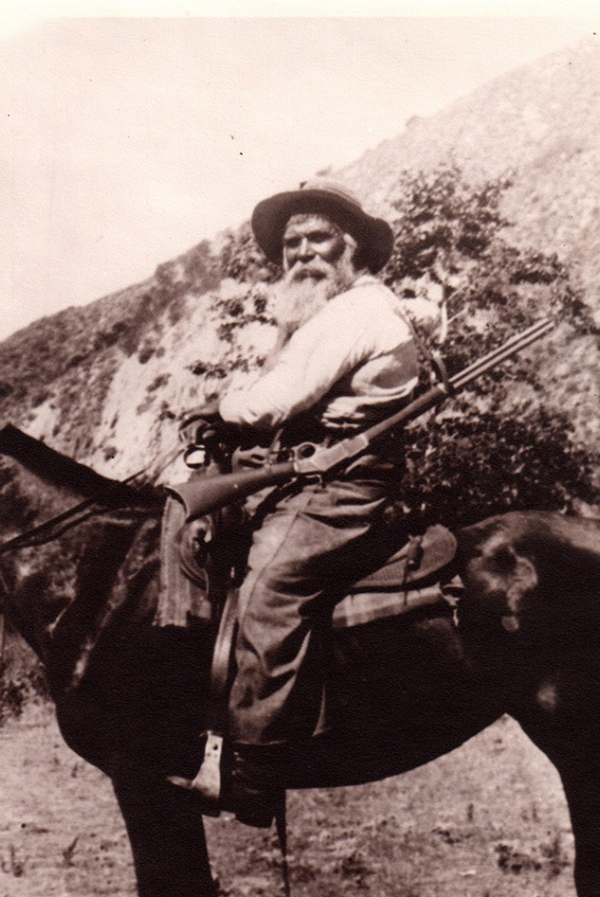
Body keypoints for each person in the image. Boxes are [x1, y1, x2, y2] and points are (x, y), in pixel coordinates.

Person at [188, 180, 421, 826]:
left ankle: (255, 772)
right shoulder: (322, 316)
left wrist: (219, 410)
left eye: (319, 240)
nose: (303, 254)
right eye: (293, 245)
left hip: (342, 484)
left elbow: (277, 399)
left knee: (268, 582)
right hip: (304, 473)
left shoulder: (360, 311)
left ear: (353, 250)